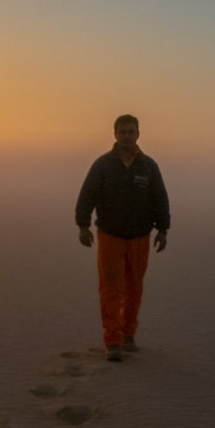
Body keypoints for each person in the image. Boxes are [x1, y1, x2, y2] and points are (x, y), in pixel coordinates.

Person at [75, 114, 170, 362]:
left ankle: (129, 335)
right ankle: (113, 341)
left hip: (140, 237)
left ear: (138, 134)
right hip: (110, 235)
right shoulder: (103, 165)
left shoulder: (149, 166)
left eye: (131, 132)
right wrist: (83, 226)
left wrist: (163, 229)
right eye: (122, 132)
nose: (127, 136)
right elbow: (87, 196)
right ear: (114, 134)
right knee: (110, 289)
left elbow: (159, 199)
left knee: (134, 289)